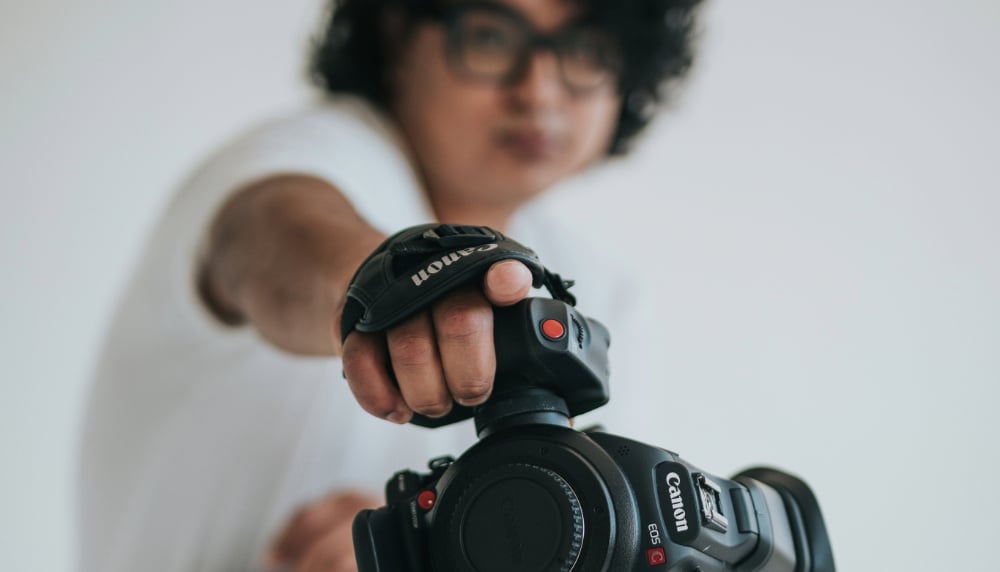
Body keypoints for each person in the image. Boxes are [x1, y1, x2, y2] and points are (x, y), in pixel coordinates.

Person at [77, 0, 701, 570]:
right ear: (398, 32)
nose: (539, 91)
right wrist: (391, 281)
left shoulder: (601, 288)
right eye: (489, 35)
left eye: (587, 49)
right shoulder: (309, 157)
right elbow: (266, 234)